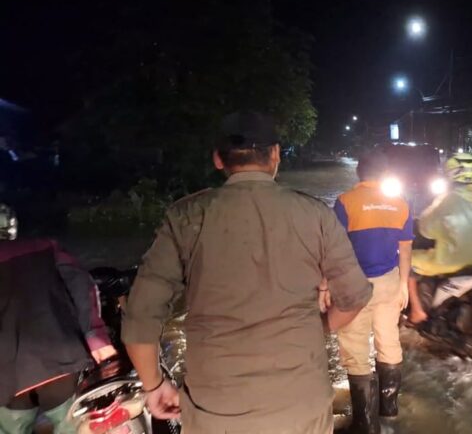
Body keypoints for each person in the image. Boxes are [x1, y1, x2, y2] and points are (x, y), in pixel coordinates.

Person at [122, 112, 373, 434]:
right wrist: (316, 327)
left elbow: (140, 317)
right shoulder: (315, 215)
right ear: (276, 155)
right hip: (301, 405)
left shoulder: (186, 216)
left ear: (217, 159)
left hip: (215, 410)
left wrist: (154, 385)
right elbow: (354, 296)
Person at [321, 151, 412, 433]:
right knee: (389, 341)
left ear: (359, 173)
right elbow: (405, 250)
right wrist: (404, 285)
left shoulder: (346, 202)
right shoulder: (401, 204)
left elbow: (333, 248)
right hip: (389, 282)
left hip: (354, 286)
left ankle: (365, 421)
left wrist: (324, 285)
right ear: (384, 175)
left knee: (356, 348)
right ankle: (389, 411)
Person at [0, 238, 116, 434]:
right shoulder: (45, 246)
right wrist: (95, 336)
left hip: (7, 375)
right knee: (71, 427)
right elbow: (82, 287)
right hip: (60, 359)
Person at [408, 153, 472, 324]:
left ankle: (417, 312)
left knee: (406, 262)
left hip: (451, 263)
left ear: (451, 173)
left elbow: (426, 230)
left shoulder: (448, 200)